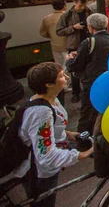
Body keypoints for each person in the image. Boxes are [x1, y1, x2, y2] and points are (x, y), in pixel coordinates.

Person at [0, 62, 93, 207]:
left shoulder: (50, 99)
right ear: (49, 84)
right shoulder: (41, 113)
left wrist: (67, 133)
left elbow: (46, 129)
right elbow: (46, 156)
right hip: (38, 171)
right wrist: (81, 155)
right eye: (61, 76)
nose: (67, 77)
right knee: (44, 202)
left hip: (40, 163)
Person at [65, 13, 109, 135]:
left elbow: (76, 65)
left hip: (92, 82)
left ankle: (83, 140)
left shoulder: (88, 42)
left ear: (90, 27)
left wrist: (69, 59)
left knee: (87, 113)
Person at [56, 0, 92, 103]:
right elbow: (59, 31)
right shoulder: (66, 15)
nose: (82, 8)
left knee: (89, 68)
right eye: (80, 5)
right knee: (75, 70)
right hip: (74, 45)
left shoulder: (88, 12)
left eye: (84, 5)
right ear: (75, 3)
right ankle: (76, 93)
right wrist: (73, 28)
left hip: (88, 43)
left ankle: (87, 90)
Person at [39, 0, 67, 70]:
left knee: (59, 66)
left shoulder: (47, 18)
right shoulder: (67, 16)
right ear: (64, 6)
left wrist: (52, 36)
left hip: (54, 45)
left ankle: (60, 79)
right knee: (67, 66)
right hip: (67, 45)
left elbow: (43, 32)